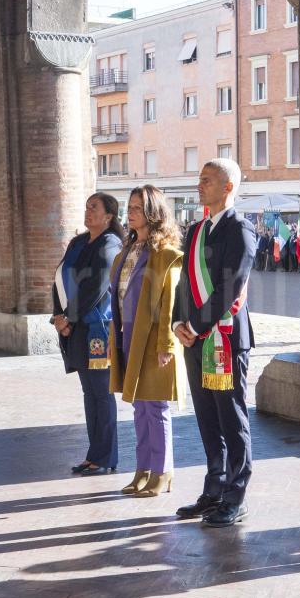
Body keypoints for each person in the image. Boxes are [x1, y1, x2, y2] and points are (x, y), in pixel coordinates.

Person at [172, 159, 256, 527]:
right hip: (194, 339)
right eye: (199, 180)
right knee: (206, 417)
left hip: (224, 339)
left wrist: (196, 325)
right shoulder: (195, 230)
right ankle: (213, 489)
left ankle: (235, 496)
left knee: (231, 418)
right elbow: (183, 283)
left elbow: (229, 286)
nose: (199, 186)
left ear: (228, 187)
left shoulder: (241, 229)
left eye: (207, 180)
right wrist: (178, 321)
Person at [109, 186, 185, 497]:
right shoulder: (126, 251)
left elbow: (170, 302)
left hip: (154, 338)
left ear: (153, 213)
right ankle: (142, 469)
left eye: (138, 207)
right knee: (139, 407)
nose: (131, 212)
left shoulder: (166, 255)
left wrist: (166, 345)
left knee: (156, 406)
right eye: (130, 206)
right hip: (127, 335)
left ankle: (163, 471)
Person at [52, 193, 124, 476]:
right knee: (89, 394)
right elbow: (59, 278)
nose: (88, 211)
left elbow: (95, 289)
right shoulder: (79, 242)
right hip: (74, 327)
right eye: (86, 206)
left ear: (108, 216)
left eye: (94, 207)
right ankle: (94, 454)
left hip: (97, 331)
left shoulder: (110, 244)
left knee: (102, 394)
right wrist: (59, 316)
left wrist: (69, 318)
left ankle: (105, 457)